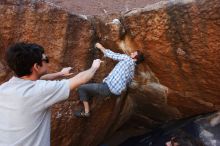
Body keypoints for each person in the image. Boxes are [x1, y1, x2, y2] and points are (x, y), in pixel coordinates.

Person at [0, 42, 102, 146]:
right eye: (45, 59)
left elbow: (36, 80)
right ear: (36, 66)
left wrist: (60, 74)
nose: (47, 62)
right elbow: (81, 78)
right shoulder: (40, 91)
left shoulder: (4, 88)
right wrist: (94, 66)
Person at [74, 43, 144, 118]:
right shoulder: (132, 71)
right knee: (93, 90)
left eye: (134, 54)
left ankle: (86, 112)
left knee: (82, 88)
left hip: (106, 88)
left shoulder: (127, 58)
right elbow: (128, 82)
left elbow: (112, 55)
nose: (132, 53)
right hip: (112, 92)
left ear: (135, 59)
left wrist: (100, 47)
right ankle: (90, 95)